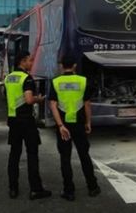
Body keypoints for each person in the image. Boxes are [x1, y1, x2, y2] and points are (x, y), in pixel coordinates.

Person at [49, 55, 100, 201]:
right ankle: (92, 187)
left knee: (65, 158)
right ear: (75, 65)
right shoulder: (83, 81)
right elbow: (87, 104)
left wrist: (60, 126)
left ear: (61, 66)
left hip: (63, 126)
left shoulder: (56, 82)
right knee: (84, 156)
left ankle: (69, 191)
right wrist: (88, 122)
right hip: (79, 125)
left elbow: (52, 105)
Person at [4, 51, 51, 200]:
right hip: (26, 120)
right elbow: (29, 100)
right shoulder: (27, 78)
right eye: (30, 60)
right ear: (23, 61)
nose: (31, 63)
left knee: (14, 155)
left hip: (13, 120)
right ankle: (35, 189)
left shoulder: (9, 77)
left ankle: (13, 188)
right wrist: (39, 99)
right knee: (32, 154)